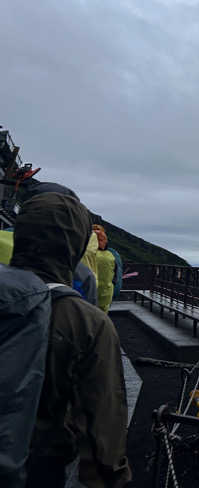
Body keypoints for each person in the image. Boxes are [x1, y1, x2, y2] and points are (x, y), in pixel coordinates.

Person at [2, 192, 131, 487]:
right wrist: (111, 477)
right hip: (38, 465)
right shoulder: (86, 322)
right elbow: (103, 423)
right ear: (73, 243)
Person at [93, 224, 116, 312]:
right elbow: (115, 276)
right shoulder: (111, 255)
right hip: (106, 294)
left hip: (88, 295)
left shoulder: (86, 255)